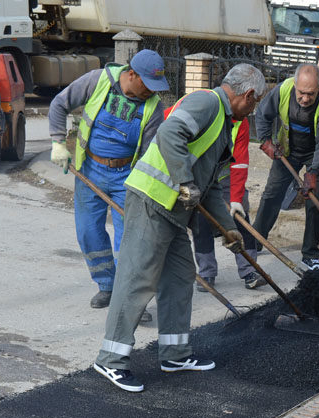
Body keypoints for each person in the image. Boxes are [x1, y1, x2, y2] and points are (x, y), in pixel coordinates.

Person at [93, 63, 267, 392]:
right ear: (247, 95)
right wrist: (185, 181)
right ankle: (110, 359)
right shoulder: (206, 103)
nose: (254, 109)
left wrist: (229, 230)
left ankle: (174, 354)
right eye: (255, 102)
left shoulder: (225, 122)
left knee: (180, 276)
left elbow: (212, 186)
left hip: (172, 211)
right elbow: (170, 133)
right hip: (150, 200)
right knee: (137, 278)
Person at [48, 49, 168, 322]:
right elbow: (58, 104)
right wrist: (57, 142)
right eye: (147, 85)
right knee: (88, 233)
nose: (151, 92)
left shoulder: (154, 107)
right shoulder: (97, 80)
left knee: (130, 241)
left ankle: (130, 299)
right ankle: (106, 286)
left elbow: (150, 153)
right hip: (89, 170)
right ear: (131, 74)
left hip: (127, 176)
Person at [253, 63, 319, 271]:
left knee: (315, 199)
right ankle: (255, 241)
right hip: (288, 149)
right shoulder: (283, 90)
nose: (305, 98)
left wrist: (314, 172)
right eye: (301, 93)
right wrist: (265, 140)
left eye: (310, 93)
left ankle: (310, 255)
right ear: (294, 84)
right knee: (272, 193)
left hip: (316, 154)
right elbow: (263, 114)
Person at [188, 113, 266, 291]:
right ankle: (207, 273)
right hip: (197, 176)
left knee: (241, 222)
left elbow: (239, 162)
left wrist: (236, 198)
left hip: (227, 179)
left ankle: (250, 271)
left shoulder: (240, 121)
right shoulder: (202, 111)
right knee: (201, 225)